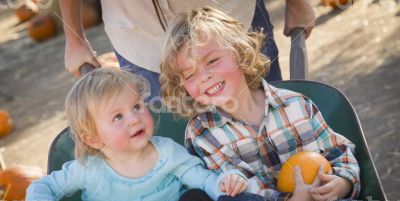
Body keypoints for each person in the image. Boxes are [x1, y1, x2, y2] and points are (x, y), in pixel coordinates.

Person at [159, 7, 370, 201]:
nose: (204, 76)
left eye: (212, 61)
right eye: (190, 74)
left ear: (239, 52)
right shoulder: (202, 133)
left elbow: (338, 152)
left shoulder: (296, 105)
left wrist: (342, 182)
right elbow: (233, 190)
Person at [24, 68, 249, 201]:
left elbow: (201, 177)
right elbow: (44, 186)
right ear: (93, 139)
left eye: (137, 106)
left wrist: (224, 183)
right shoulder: (88, 169)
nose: (134, 119)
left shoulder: (166, 153)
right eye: (118, 116)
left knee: (194, 199)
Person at [59, 0, 315, 97]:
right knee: (182, 153)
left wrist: (297, 1)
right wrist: (74, 37)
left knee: (272, 124)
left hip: (229, 21)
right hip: (141, 40)